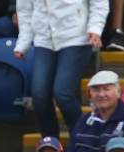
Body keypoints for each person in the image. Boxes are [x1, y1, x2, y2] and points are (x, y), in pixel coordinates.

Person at [15, 0, 108, 138]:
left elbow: (99, 2)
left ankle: (82, 140)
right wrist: (23, 41)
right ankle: (50, 145)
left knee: (63, 92)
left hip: (77, 36)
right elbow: (25, 9)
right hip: (44, 38)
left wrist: (95, 28)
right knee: (39, 94)